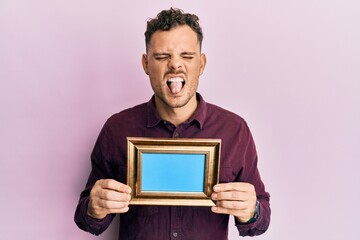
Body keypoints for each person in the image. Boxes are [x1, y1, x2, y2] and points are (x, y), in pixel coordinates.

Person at [74, 8, 270, 239]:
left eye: (187, 56)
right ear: (146, 64)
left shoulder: (234, 130)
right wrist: (93, 208)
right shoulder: (117, 129)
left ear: (202, 63)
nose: (175, 65)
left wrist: (252, 210)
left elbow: (262, 218)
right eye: (161, 57)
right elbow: (87, 221)